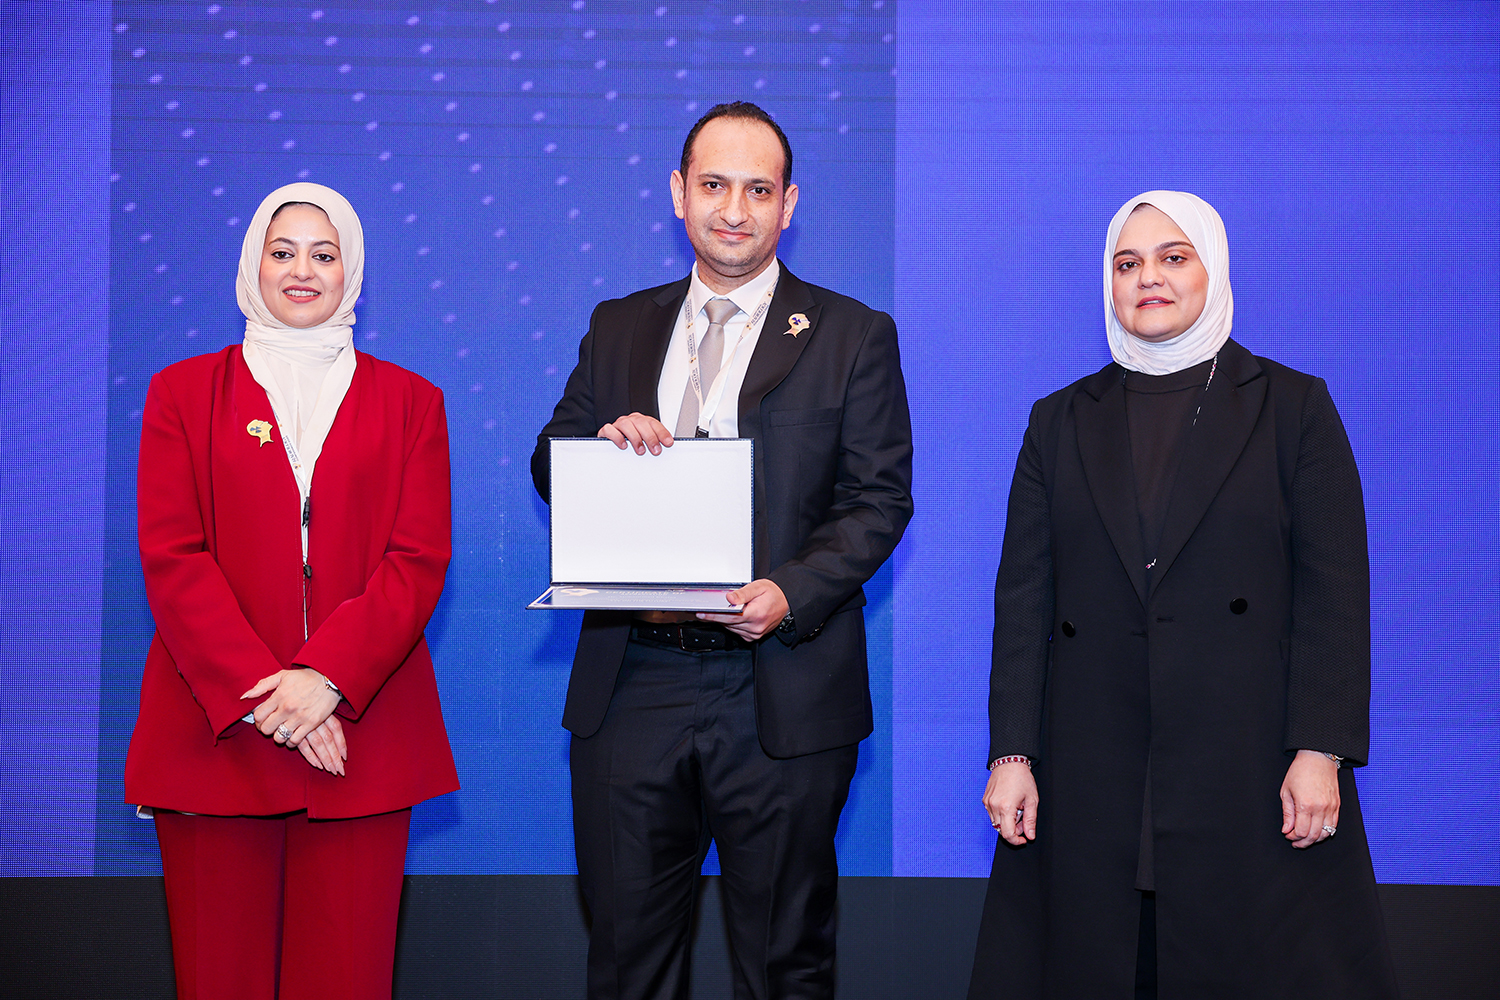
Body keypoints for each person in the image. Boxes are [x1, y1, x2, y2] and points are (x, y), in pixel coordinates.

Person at [967, 191, 1399, 999]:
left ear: (1214, 268)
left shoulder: (1293, 407)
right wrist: (1013, 753)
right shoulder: (1058, 420)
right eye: (1127, 263)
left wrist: (1321, 750)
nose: (1148, 279)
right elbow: (1023, 603)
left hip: (1248, 758)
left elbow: (1335, 594)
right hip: (1093, 759)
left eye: (1173, 257)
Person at [532, 102, 913, 999]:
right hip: (634, 682)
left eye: (757, 190)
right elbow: (551, 460)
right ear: (678, 193)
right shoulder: (618, 324)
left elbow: (878, 500)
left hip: (781, 687)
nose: (734, 210)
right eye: (713, 185)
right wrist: (601, 449)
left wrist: (790, 591)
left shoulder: (852, 333)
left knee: (784, 965)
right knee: (626, 964)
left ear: (789, 204)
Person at [125, 182, 458, 1000]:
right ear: (253, 264)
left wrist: (326, 679)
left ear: (353, 272)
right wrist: (271, 698)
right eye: (282, 252)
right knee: (218, 979)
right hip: (217, 737)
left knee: (345, 980)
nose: (302, 270)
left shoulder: (413, 402)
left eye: (323, 253)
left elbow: (417, 559)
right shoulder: (181, 393)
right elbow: (173, 556)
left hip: (359, 740)